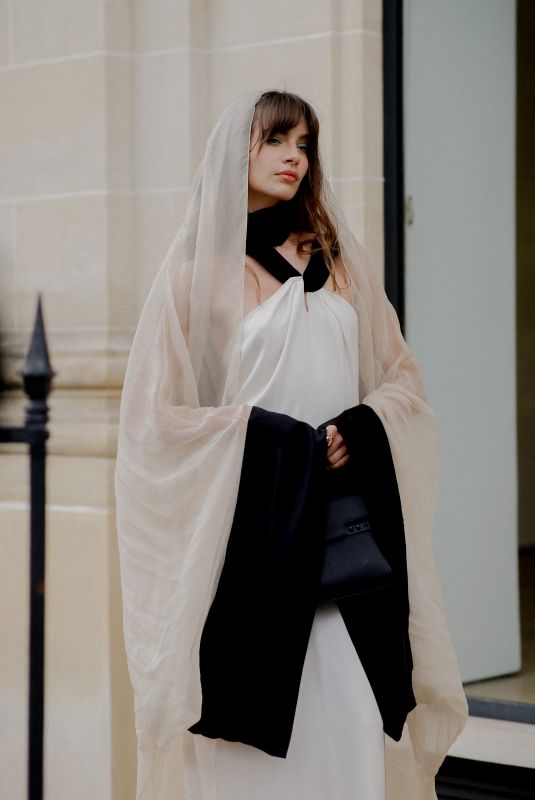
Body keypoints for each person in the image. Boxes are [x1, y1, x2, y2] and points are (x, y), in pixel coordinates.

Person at [115, 91, 468, 800]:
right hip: (259, 539)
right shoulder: (198, 280)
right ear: (233, 151)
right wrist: (269, 436)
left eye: (304, 143)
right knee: (264, 738)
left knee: (352, 714)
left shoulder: (336, 263)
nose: (293, 157)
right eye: (276, 139)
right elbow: (155, 421)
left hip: (343, 533)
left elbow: (402, 378)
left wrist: (358, 428)